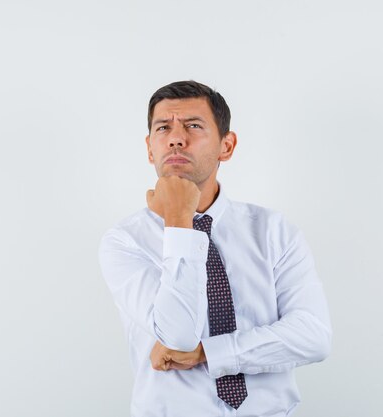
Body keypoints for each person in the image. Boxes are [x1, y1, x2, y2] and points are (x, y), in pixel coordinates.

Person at [98, 80, 332, 417]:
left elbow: (314, 336)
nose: (176, 137)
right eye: (164, 127)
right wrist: (179, 219)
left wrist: (210, 352)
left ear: (227, 145)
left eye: (193, 125)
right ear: (150, 148)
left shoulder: (273, 231)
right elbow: (177, 336)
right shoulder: (125, 241)